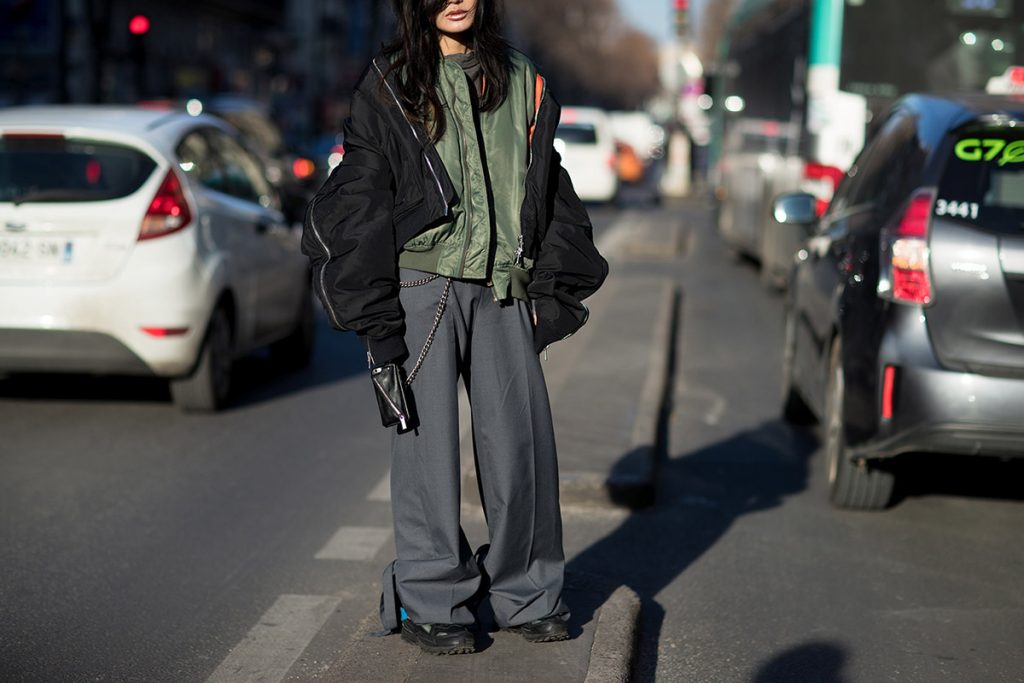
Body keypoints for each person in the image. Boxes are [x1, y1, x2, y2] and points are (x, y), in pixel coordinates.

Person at [301, 0, 608, 656]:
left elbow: (547, 189)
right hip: (422, 287)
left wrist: (549, 294)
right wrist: (378, 328)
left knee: (523, 446)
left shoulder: (523, 79)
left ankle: (528, 591)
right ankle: (431, 596)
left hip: (505, 291)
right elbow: (360, 201)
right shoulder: (390, 84)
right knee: (425, 451)